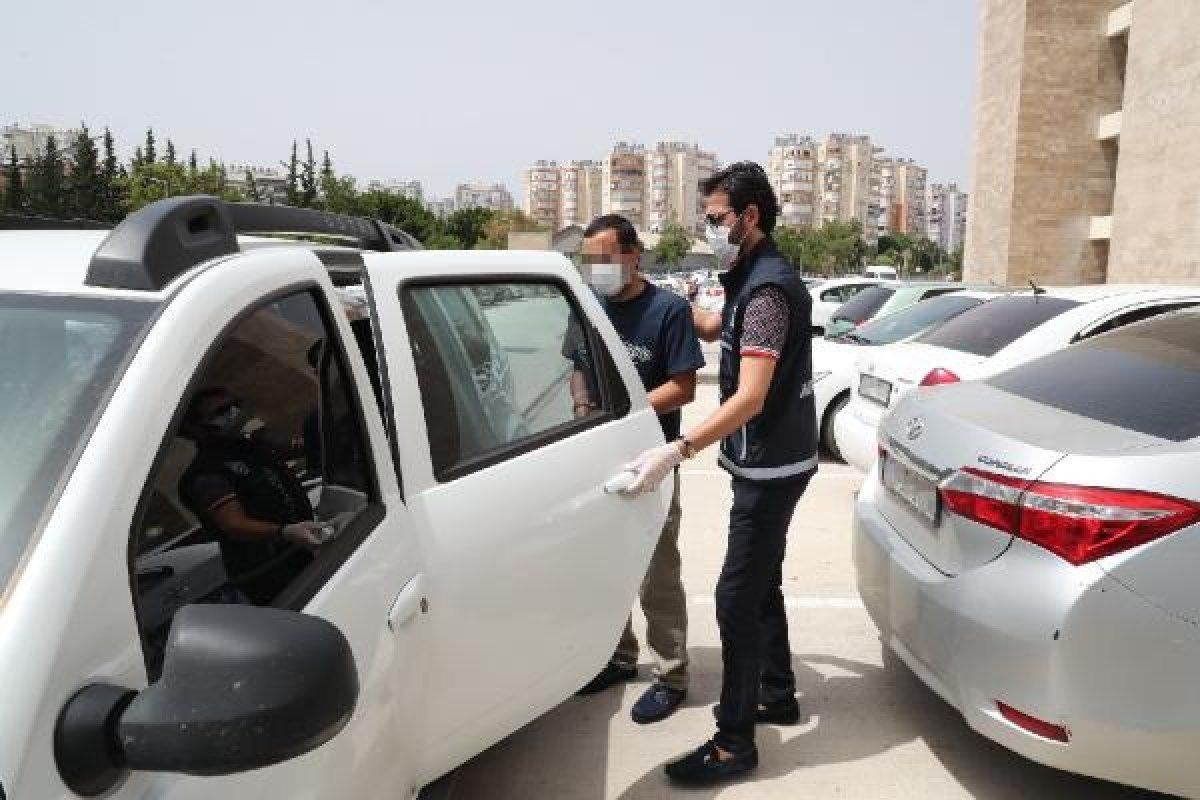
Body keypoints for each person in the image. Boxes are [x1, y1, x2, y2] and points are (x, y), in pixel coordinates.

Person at [622, 162, 818, 784]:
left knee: (735, 598)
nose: (710, 228)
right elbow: (712, 329)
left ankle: (735, 744)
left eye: (716, 218)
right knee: (760, 584)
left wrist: (676, 452)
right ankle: (778, 692)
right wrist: (660, 297)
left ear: (749, 217)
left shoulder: (767, 290)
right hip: (774, 459)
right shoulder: (747, 277)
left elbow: (751, 395)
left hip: (770, 467)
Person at [570, 214, 706, 724]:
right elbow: (578, 368)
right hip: (595, 456)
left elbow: (684, 387)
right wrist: (586, 411)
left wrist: (620, 412)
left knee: (656, 572)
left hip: (653, 459)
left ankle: (671, 674)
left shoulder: (668, 310)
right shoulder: (589, 306)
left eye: (606, 257)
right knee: (606, 566)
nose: (597, 268)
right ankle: (619, 656)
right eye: (591, 259)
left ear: (633, 255)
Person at [179, 386, 329, 604]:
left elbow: (299, 449)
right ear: (195, 427)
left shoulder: (251, 447)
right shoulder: (206, 473)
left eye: (235, 405)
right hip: (269, 571)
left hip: (298, 553)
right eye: (220, 411)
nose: (233, 413)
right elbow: (235, 524)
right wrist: (285, 531)